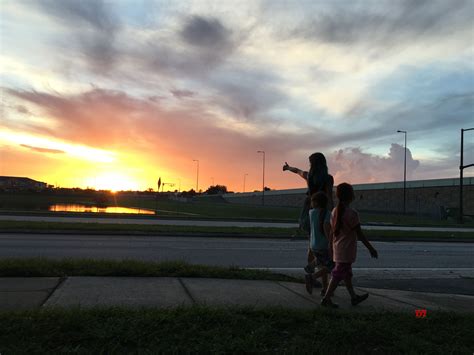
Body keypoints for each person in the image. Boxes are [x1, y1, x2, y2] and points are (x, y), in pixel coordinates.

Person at [321, 183, 378, 308]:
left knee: (346, 274)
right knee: (337, 275)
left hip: (338, 248)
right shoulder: (352, 214)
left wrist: (330, 246)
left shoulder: (334, 211)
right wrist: (371, 249)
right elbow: (360, 234)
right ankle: (326, 298)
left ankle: (353, 297)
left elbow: (331, 232)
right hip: (346, 250)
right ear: (351, 196)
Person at [283, 152, 334, 273]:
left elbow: (297, 171)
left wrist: (288, 167)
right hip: (323, 213)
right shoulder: (328, 178)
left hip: (309, 212)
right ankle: (320, 277)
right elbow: (329, 197)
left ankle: (311, 272)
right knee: (324, 245)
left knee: (312, 244)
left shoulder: (308, 176)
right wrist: (333, 214)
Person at [305, 191, 334, 296]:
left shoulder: (311, 213)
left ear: (316, 203)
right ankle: (312, 277)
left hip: (313, 245)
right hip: (323, 245)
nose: (311, 203)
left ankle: (325, 289)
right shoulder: (328, 213)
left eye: (312, 201)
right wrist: (331, 244)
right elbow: (327, 230)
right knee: (331, 266)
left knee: (323, 266)